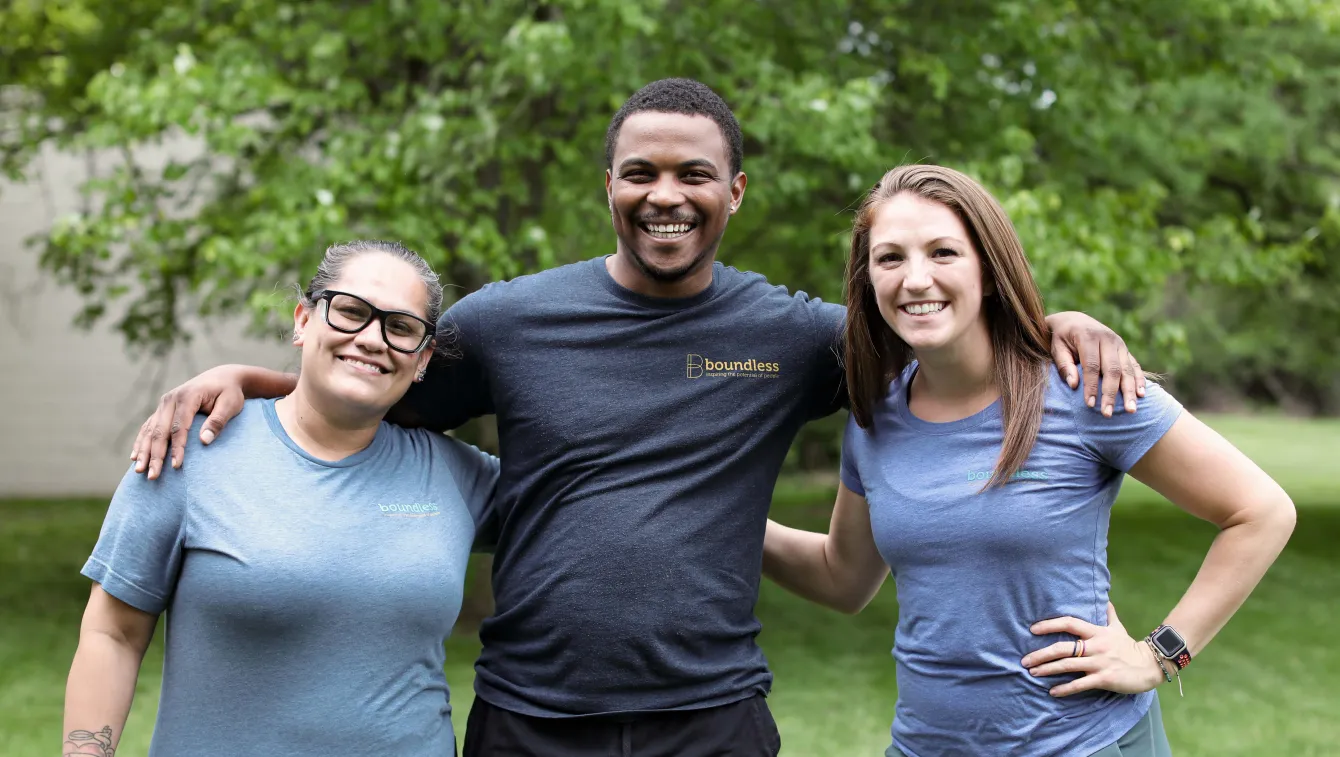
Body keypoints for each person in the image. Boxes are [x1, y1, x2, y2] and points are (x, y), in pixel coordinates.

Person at [127, 80, 1146, 756]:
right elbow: (365, 385)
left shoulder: (791, 336)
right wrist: (250, 376)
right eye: (642, 172)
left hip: (713, 716)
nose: (668, 195)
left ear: (733, 191)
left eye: (694, 174)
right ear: (607, 186)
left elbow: (925, 320)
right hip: (529, 716)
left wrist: (1049, 322)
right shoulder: (507, 321)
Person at [761, 164, 1297, 756]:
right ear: (868, 280)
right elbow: (844, 578)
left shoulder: (1082, 385)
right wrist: (715, 515)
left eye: (943, 252)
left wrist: (1160, 655)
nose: (915, 279)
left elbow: (1261, 510)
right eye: (890, 259)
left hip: (1081, 743)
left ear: (989, 271)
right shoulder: (875, 416)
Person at [63, 241, 500, 757]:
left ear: (423, 359)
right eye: (351, 312)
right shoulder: (191, 447)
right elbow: (113, 633)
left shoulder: (457, 475)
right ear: (303, 320)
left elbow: (581, 500)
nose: (371, 339)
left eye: (400, 328)